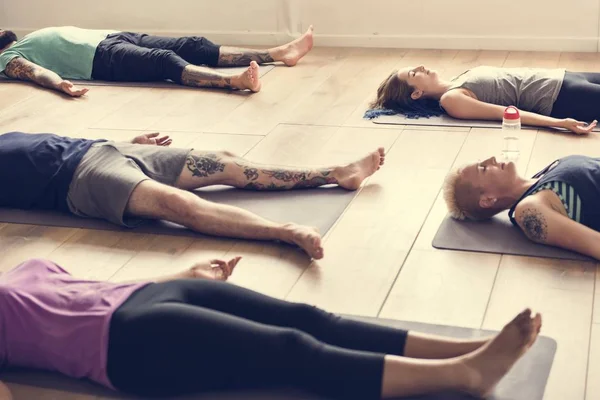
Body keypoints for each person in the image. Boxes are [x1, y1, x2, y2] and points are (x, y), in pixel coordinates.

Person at [0, 257, 542, 399]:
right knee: (291, 349)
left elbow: (87, 286)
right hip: (123, 345)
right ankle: (465, 374)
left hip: (148, 295)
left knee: (308, 317)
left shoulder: (26, 268)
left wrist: (182, 274)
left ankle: (465, 348)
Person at [0, 131, 386, 259]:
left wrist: (129, 141)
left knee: (227, 162)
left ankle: (337, 173)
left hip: (105, 148)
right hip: (81, 179)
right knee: (178, 206)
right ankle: (284, 231)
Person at [0, 25, 315, 95]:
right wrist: (60, 85)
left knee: (191, 44)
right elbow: (33, 72)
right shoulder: (7, 58)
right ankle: (234, 81)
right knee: (164, 60)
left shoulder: (20, 39)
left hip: (111, 37)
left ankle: (278, 54)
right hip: (100, 59)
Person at [443, 155, 600, 260]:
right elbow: (595, 243)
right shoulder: (529, 209)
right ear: (488, 199)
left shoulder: (543, 175)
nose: (491, 158)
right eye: (482, 168)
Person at [368, 65, 600, 135]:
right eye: (413, 74)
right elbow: (508, 113)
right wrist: (559, 123)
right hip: (560, 96)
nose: (420, 67)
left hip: (565, 76)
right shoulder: (452, 100)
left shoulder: (458, 78)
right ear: (416, 93)